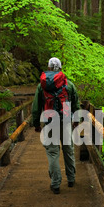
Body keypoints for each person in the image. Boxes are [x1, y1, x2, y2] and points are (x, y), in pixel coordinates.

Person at [32, 58, 80, 194]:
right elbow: (76, 104)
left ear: (48, 67)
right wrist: (76, 120)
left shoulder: (41, 86)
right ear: (60, 68)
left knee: (53, 153)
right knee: (68, 151)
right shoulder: (68, 84)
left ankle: (55, 184)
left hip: (49, 123)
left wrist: (36, 124)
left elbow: (36, 107)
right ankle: (71, 179)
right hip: (65, 122)